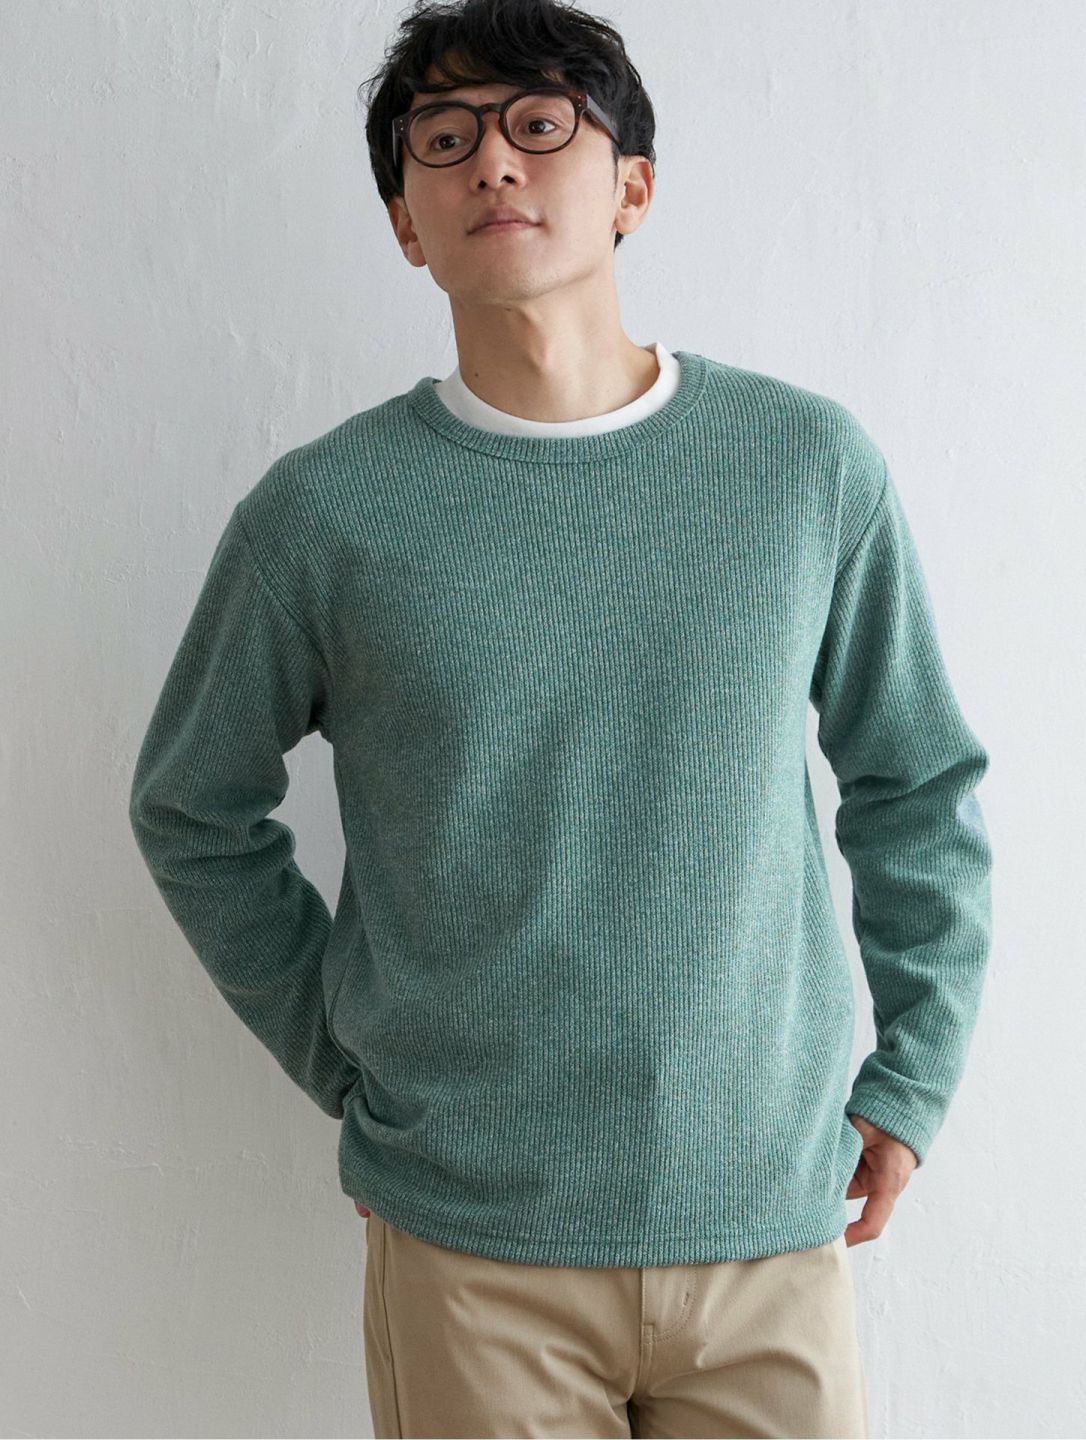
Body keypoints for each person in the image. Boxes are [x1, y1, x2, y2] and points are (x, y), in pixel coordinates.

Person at [127, 0, 993, 1435]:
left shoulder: (804, 466)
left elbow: (916, 781)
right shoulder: (322, 518)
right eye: (443, 139)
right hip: (470, 1241)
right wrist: (342, 1054)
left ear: (632, 186)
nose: (493, 163)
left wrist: (915, 1071)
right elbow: (191, 806)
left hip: (767, 1219)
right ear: (405, 224)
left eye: (540, 124)